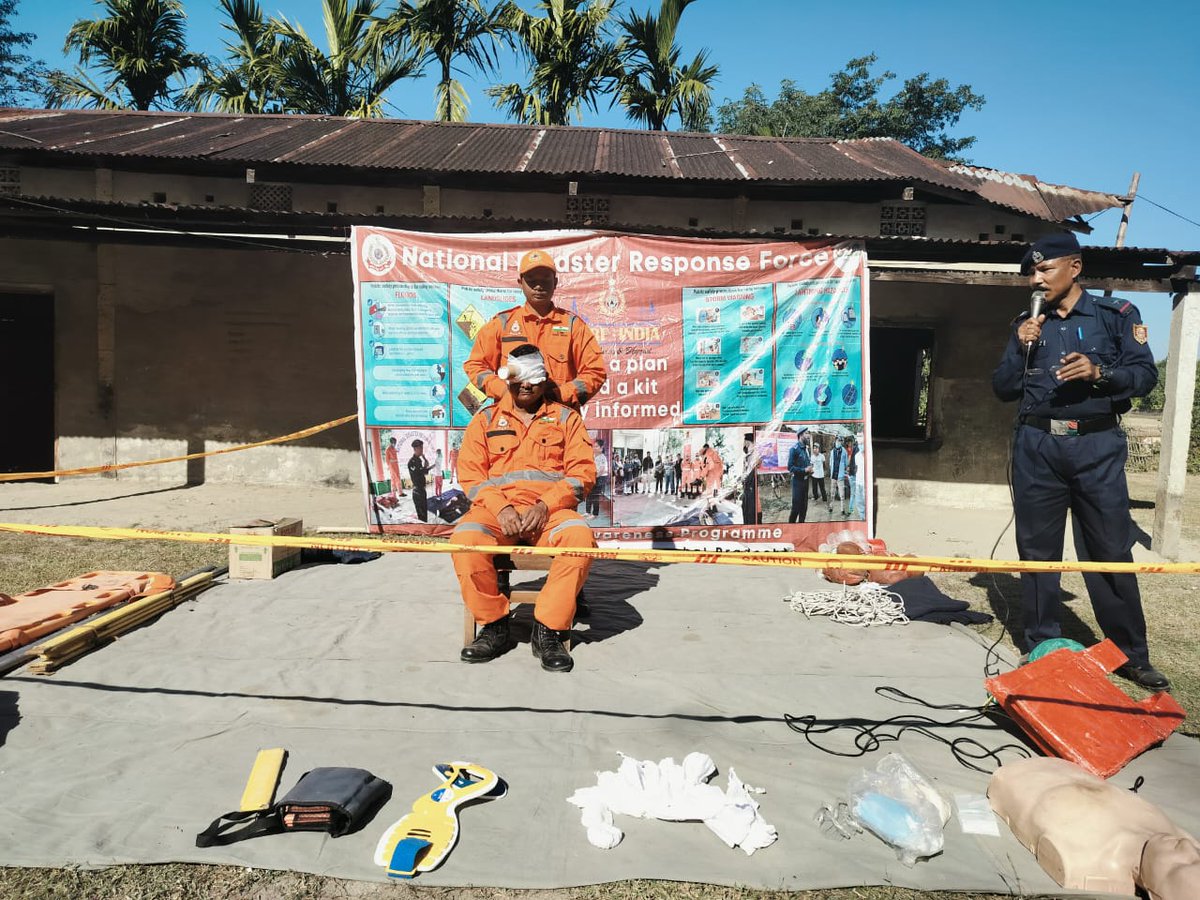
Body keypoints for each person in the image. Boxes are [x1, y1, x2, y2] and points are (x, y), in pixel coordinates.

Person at [992, 232, 1166, 690]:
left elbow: (1144, 376)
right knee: (1038, 552)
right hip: (1037, 447)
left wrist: (1099, 372)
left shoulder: (1116, 316)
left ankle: (1130, 655)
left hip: (1095, 447)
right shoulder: (1026, 323)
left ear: (1075, 267)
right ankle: (1041, 645)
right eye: (1032, 272)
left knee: (1110, 549)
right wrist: (1020, 346)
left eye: (1044, 269)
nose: (1036, 279)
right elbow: (1003, 388)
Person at [451, 344, 596, 673]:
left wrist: (546, 505)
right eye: (518, 378)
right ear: (508, 379)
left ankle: (548, 630)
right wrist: (501, 508)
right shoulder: (485, 420)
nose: (525, 385)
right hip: (497, 514)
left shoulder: (567, 419)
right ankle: (494, 626)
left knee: (579, 538)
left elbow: (582, 474)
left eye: (533, 378)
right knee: (466, 540)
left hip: (549, 514)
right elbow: (471, 475)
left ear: (544, 380)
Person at [464, 249, 606, 411]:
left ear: (555, 282)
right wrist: (505, 392)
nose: (538, 286)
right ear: (520, 283)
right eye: (532, 280)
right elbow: (476, 365)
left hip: (558, 418)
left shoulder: (573, 325)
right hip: (510, 418)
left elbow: (596, 372)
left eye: (545, 279)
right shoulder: (502, 324)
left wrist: (559, 395)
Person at [787, 437, 812, 523]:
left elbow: (807, 463)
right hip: (797, 482)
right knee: (796, 508)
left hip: (806, 482)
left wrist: (810, 470)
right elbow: (790, 467)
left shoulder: (806, 449)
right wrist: (804, 470)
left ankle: (801, 526)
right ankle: (791, 527)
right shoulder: (794, 449)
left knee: (804, 508)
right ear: (801, 435)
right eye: (806, 433)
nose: (808, 436)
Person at [407, 439, 434, 522]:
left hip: (422, 490)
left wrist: (427, 464)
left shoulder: (419, 460)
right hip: (417, 492)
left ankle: (424, 526)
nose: (422, 450)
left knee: (424, 512)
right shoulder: (412, 462)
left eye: (422, 447)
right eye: (420, 448)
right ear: (415, 449)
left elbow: (422, 472)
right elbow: (419, 473)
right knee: (421, 516)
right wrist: (428, 467)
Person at [741, 434, 759, 525]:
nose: (743, 444)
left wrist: (744, 478)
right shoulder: (748, 456)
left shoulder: (754, 455)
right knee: (746, 509)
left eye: (744, 442)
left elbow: (750, 474)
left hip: (751, 489)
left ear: (747, 442)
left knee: (751, 513)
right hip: (748, 489)